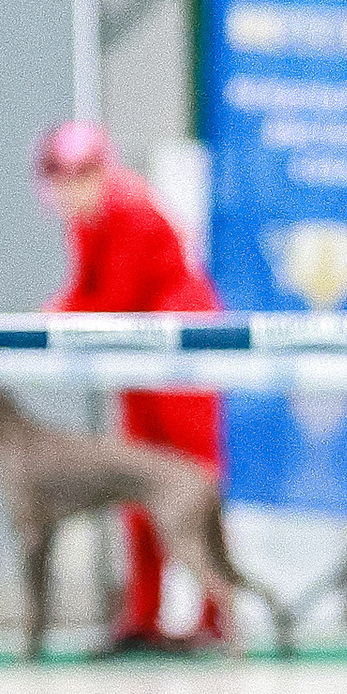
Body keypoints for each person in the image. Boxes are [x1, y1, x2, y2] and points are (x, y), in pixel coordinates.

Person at [33, 121, 227, 651]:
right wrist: (53, 314)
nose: (71, 188)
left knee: (192, 482)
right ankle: (143, 615)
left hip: (181, 357)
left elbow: (113, 300)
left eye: (82, 175)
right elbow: (87, 293)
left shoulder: (133, 211)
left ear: (102, 171)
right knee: (137, 484)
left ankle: (215, 616)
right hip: (140, 360)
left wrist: (46, 318)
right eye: (61, 178)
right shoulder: (88, 222)